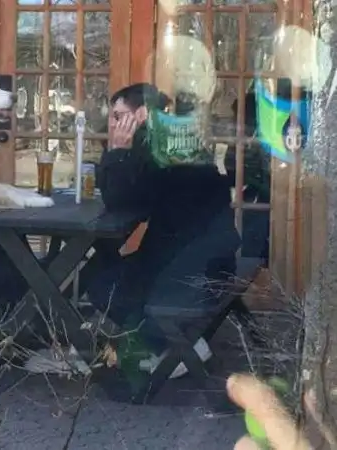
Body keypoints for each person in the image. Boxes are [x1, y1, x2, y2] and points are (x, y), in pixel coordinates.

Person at [88, 83, 242, 378]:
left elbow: (120, 200)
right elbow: (129, 197)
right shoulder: (168, 141)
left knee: (102, 282)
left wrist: (118, 151)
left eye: (119, 116)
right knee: (101, 274)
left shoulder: (159, 148)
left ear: (143, 114)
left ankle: (175, 345)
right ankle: (165, 342)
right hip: (198, 256)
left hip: (191, 267)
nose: (113, 123)